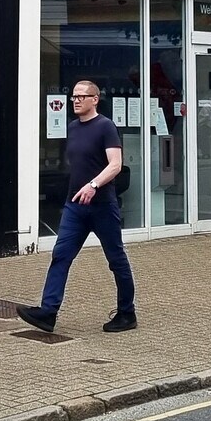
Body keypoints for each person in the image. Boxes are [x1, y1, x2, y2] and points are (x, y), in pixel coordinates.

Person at [18, 80, 136, 334]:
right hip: (75, 206)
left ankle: (127, 312)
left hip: (102, 205)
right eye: (73, 97)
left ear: (95, 99)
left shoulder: (106, 127)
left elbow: (115, 164)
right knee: (60, 256)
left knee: (116, 259)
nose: (76, 100)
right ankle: (48, 312)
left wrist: (93, 185)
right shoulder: (72, 127)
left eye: (82, 96)